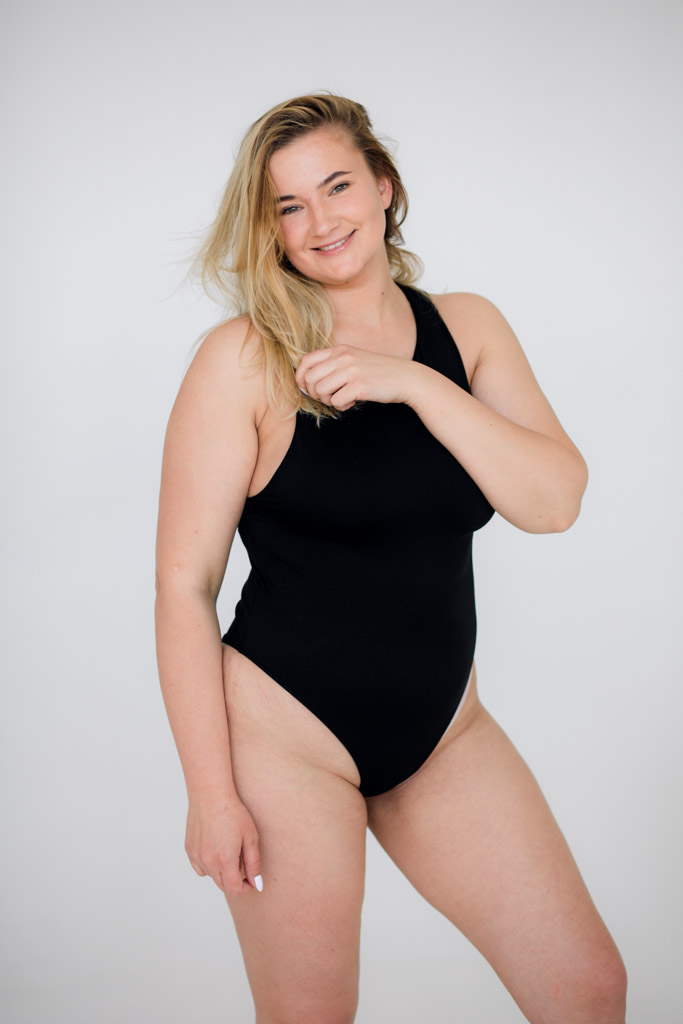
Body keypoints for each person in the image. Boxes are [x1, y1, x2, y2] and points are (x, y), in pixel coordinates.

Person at [154, 92, 627, 1023]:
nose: (320, 221)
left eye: (336, 187)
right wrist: (212, 798)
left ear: (384, 187)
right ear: (269, 228)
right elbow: (184, 586)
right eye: (289, 206)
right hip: (282, 739)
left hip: (443, 734)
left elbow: (554, 501)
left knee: (586, 990)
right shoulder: (243, 359)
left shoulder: (467, 328)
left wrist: (409, 383)